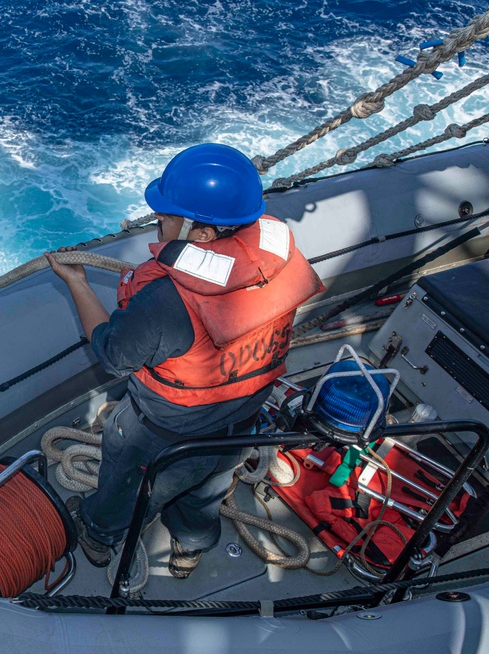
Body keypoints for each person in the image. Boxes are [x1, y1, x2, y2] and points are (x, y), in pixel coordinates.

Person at [45, 143, 323, 577]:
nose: (158, 222)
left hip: (165, 435)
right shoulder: (274, 262)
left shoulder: (167, 300)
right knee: (207, 490)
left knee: (126, 484)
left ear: (203, 234)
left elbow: (113, 353)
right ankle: (189, 549)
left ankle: (98, 537)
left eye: (167, 215)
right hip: (240, 422)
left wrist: (77, 283)